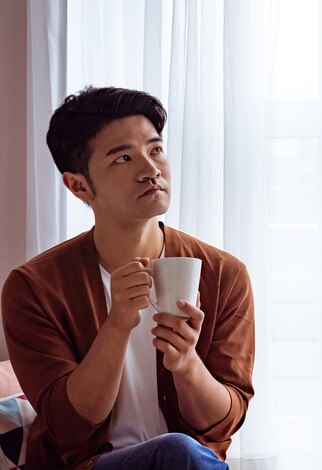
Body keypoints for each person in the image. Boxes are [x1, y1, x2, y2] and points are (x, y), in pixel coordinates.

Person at [1, 86, 255, 469]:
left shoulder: (223, 274)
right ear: (79, 185)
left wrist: (186, 362)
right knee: (177, 452)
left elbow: (224, 422)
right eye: (123, 157)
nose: (151, 169)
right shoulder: (34, 287)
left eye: (155, 150)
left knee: (181, 452)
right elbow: (67, 429)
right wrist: (117, 324)